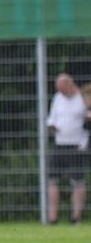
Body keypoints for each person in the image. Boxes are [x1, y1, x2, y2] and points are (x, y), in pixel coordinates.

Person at [46, 73, 88, 224]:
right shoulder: (58, 98)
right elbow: (51, 118)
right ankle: (52, 219)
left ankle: (75, 218)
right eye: (59, 89)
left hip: (77, 145)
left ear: (71, 84)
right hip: (60, 144)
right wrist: (51, 125)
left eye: (63, 88)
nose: (61, 92)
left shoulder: (83, 98)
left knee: (77, 181)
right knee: (52, 180)